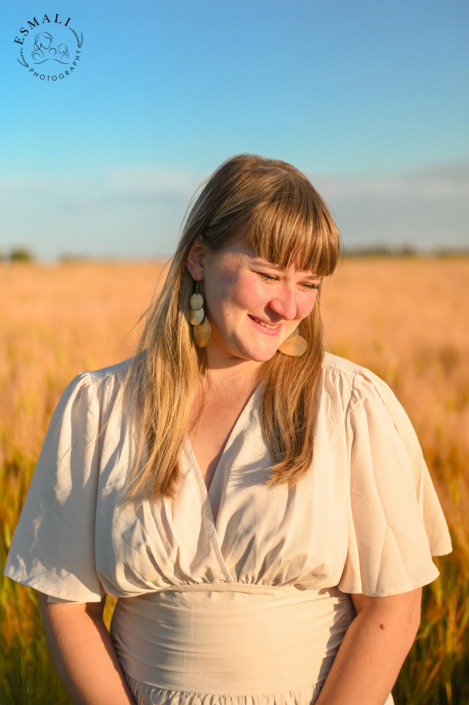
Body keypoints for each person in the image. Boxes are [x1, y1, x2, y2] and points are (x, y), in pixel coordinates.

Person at [4, 154, 452, 705]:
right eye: (266, 275)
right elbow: (68, 604)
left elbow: (393, 607)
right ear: (198, 258)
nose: (288, 306)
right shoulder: (99, 408)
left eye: (308, 282)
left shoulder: (351, 405)